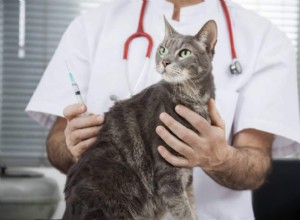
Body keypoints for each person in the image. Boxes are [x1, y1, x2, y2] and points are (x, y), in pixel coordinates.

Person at [26, 0, 300, 219]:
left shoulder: (266, 39)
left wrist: (219, 157)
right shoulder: (89, 26)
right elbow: (57, 143)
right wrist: (73, 145)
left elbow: (255, 164)